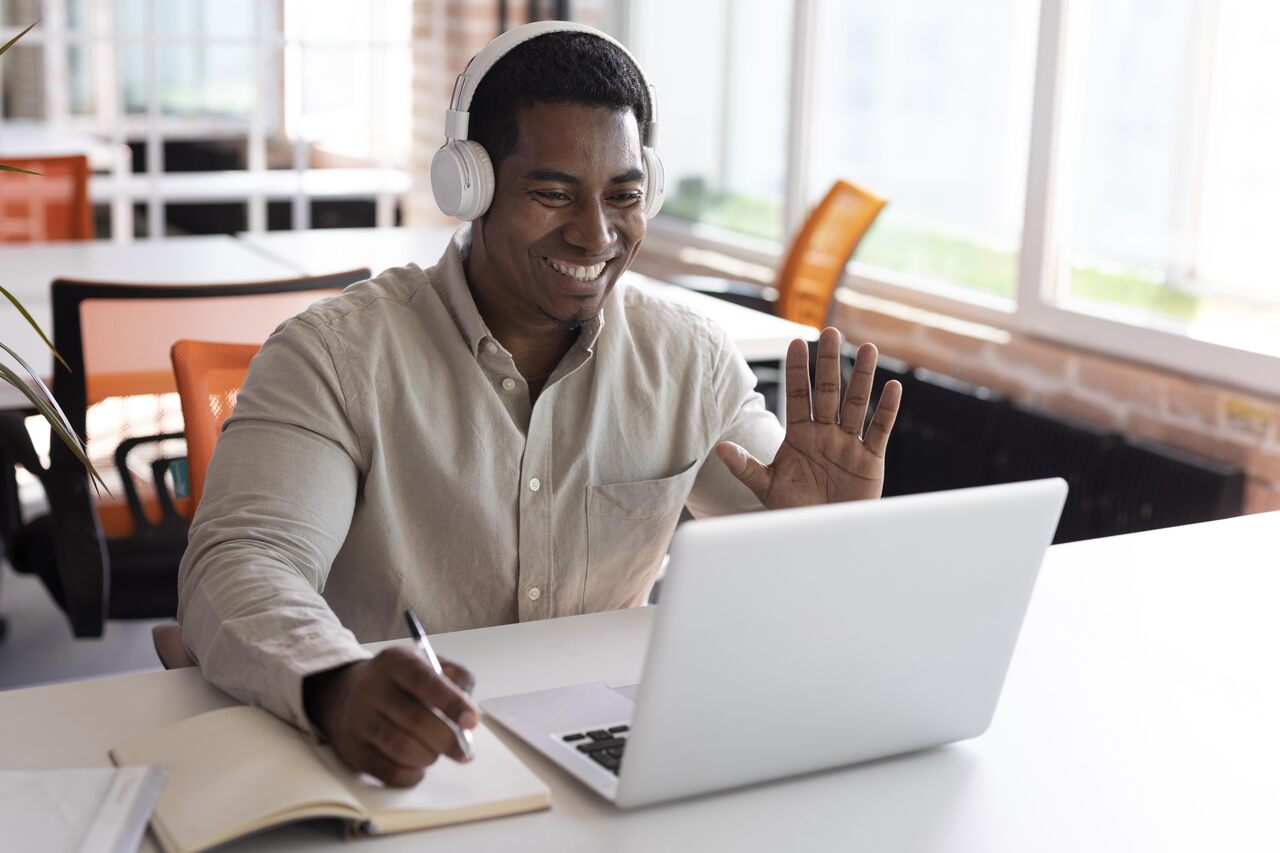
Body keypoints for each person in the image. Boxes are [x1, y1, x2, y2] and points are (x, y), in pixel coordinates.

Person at [177, 22, 902, 788]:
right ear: (471, 187)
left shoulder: (688, 359)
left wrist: (824, 533)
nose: (596, 233)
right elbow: (245, 560)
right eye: (553, 193)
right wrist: (332, 682)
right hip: (392, 759)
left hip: (606, 754)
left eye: (623, 196)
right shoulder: (335, 356)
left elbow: (794, 576)